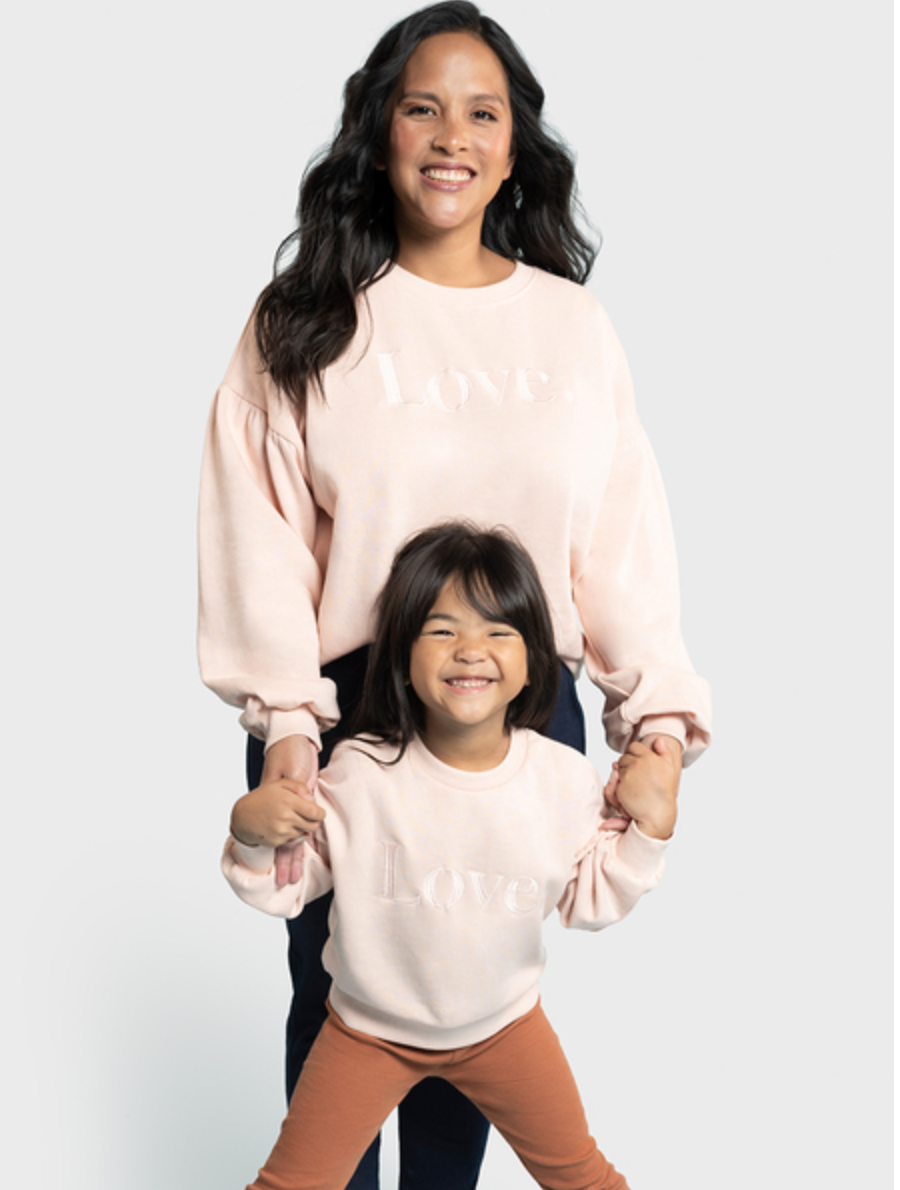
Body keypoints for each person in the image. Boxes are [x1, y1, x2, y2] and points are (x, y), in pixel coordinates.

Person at [198, 2, 712, 1184]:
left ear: (514, 145)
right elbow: (258, 542)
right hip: (344, 705)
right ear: (378, 131)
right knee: (341, 999)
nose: (451, 136)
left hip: (520, 711)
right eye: (422, 105)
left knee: (469, 1000)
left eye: (483, 112)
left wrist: (660, 725)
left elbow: (618, 538)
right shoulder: (306, 324)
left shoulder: (572, 327)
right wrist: (285, 725)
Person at [223, 524, 678, 1190]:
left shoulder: (563, 780)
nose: (471, 650)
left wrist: (649, 830)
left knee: (583, 1176)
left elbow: (590, 901)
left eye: (499, 632)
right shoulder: (358, 774)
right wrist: (251, 835)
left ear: (534, 661)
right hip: (365, 1033)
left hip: (505, 1029)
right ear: (402, 654)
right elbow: (286, 890)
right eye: (441, 631)